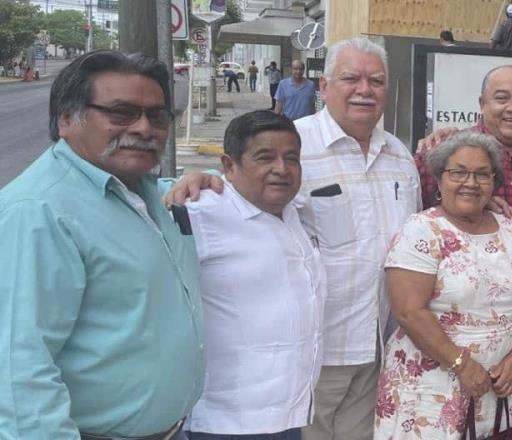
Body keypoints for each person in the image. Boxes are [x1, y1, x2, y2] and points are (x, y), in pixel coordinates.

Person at [163, 37, 421, 440]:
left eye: (377, 80)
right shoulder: (292, 147)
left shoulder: (401, 157)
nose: (364, 90)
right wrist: (192, 182)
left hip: (378, 347)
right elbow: (237, 200)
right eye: (351, 78)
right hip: (312, 356)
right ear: (325, 87)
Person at [0, 50, 204, 439]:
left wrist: (212, 178)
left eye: (157, 115)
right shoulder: (38, 212)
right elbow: (16, 372)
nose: (145, 128)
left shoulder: (145, 191)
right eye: (121, 113)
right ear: (65, 119)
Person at [414, 65, 512, 440]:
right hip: (462, 330)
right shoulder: (447, 153)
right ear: (481, 104)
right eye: (502, 97)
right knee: (460, 424)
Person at [374, 131, 512, 439]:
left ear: (495, 181)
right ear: (439, 178)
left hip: (501, 382)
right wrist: (462, 365)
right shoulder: (422, 230)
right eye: (458, 172)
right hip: (433, 383)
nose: (470, 183)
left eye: (482, 174)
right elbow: (409, 312)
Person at [183, 111, 326, 440]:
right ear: (229, 165)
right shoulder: (200, 213)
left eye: (292, 158)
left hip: (289, 417)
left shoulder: (292, 214)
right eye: (265, 157)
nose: (282, 168)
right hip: (227, 423)